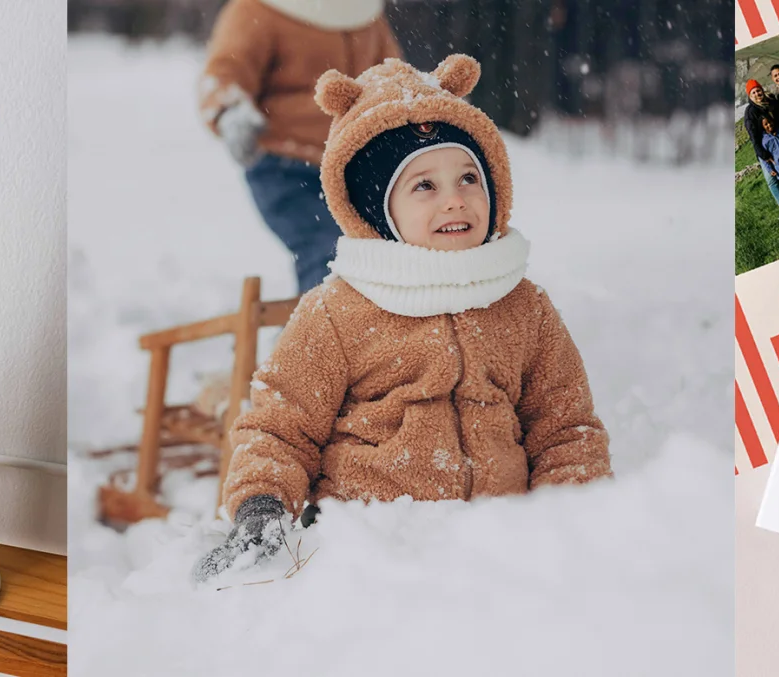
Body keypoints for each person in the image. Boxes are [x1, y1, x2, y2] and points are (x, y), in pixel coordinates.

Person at [193, 55, 613, 582]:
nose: (456, 200)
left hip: (500, 547)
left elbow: (564, 426)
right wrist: (261, 508)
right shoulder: (338, 310)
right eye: (424, 186)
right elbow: (280, 428)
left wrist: (567, 519)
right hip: (373, 550)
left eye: (468, 177)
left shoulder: (521, 303)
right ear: (376, 206)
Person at [198, 0, 401, 294]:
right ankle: (321, 335)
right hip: (286, 165)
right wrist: (228, 110)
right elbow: (226, 71)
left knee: (392, 252)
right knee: (330, 252)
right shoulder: (258, 10)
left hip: (357, 166)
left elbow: (392, 75)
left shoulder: (365, 14)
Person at [743, 80, 779, 217]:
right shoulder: (750, 112)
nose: (757, 93)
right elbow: (753, 136)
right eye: (754, 92)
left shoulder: (770, 103)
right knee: (771, 179)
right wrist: (763, 155)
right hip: (764, 149)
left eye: (758, 90)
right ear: (750, 96)